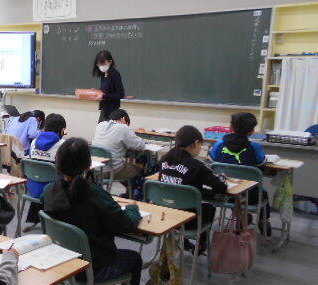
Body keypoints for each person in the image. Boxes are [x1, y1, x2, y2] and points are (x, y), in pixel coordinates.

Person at [42, 138, 143, 285]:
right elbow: (125, 224)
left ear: (58, 163)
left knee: (98, 249)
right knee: (133, 259)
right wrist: (132, 209)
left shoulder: (49, 191)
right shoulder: (94, 194)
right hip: (91, 268)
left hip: (62, 263)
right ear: (88, 165)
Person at [159, 125, 228, 253]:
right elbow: (221, 188)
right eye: (201, 145)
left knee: (185, 198)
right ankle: (201, 243)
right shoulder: (196, 166)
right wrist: (221, 179)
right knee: (209, 207)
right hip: (187, 219)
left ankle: (183, 241)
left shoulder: (164, 159)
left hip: (165, 213)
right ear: (196, 143)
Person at [209, 112, 271, 234]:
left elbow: (212, 160)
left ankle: (241, 216)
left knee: (234, 186)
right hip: (250, 196)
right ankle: (264, 220)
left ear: (230, 127)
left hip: (225, 193)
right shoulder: (255, 147)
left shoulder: (218, 145)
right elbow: (261, 162)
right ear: (252, 131)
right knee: (263, 193)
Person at [24, 113, 67, 228]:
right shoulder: (62, 145)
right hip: (53, 191)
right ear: (62, 130)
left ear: (44, 128)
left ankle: (34, 218)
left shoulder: (34, 142)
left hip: (32, 188)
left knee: (41, 175)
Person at [92, 108, 146, 182]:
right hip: (112, 171)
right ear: (124, 119)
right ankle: (132, 189)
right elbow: (140, 146)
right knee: (139, 169)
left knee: (124, 164)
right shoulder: (123, 127)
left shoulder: (100, 125)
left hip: (96, 169)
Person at [93, 50, 125, 123]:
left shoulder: (115, 74)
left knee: (106, 129)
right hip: (104, 109)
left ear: (110, 62)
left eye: (103, 63)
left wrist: (103, 96)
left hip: (112, 112)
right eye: (99, 64)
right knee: (101, 128)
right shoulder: (103, 74)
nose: (101, 66)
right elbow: (106, 90)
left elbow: (121, 94)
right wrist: (97, 92)